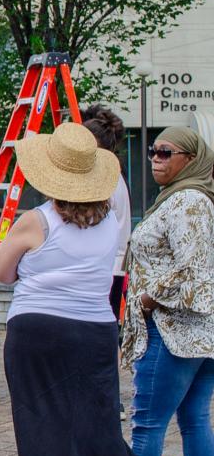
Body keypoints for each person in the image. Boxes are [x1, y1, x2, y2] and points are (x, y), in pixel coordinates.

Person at [0, 122, 134, 456]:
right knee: (98, 424)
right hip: (97, 328)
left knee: (43, 422)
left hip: (40, 328)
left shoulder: (37, 220)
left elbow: (2, 272)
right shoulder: (110, 221)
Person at [121, 127, 214, 456]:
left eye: (166, 153)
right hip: (196, 334)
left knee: (148, 423)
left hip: (172, 330)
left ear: (191, 160)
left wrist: (147, 301)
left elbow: (193, 267)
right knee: (194, 419)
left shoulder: (189, 200)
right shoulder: (185, 197)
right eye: (153, 151)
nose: (155, 160)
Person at [82, 105, 132, 323]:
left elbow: (87, 223)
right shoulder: (114, 174)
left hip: (102, 268)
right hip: (110, 267)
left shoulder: (104, 179)